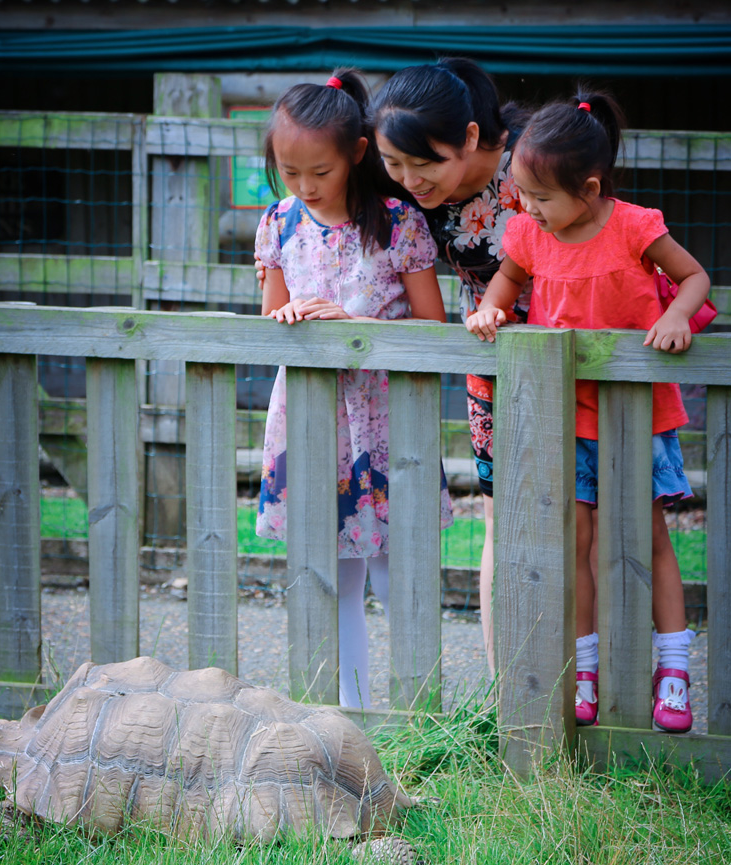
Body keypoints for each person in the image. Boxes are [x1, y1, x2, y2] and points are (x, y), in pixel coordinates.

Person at [466, 90, 711, 732]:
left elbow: (693, 279)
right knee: (572, 538)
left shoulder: (635, 226)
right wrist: (492, 308)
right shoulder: (528, 233)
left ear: (591, 187)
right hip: (565, 413)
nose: (527, 208)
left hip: (638, 414)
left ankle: (674, 669)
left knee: (648, 537)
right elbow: (508, 284)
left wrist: (679, 318)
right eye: (521, 193)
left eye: (541, 197)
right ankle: (584, 670)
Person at [255, 68, 453, 710]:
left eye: (320, 171)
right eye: (291, 173)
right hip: (313, 421)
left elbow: (433, 328)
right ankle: (351, 712)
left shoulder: (398, 222)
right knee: (330, 572)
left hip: (386, 420)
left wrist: (358, 326)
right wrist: (286, 319)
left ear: (357, 154)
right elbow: (270, 316)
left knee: (399, 568)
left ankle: (420, 710)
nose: (306, 186)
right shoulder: (280, 224)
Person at [369, 57, 531, 674]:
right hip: (488, 357)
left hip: (582, 347)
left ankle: (591, 689)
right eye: (394, 163)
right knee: (502, 515)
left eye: (424, 161)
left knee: (585, 517)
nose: (409, 178)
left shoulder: (535, 163)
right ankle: (506, 692)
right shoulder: (405, 194)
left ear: (469, 136)